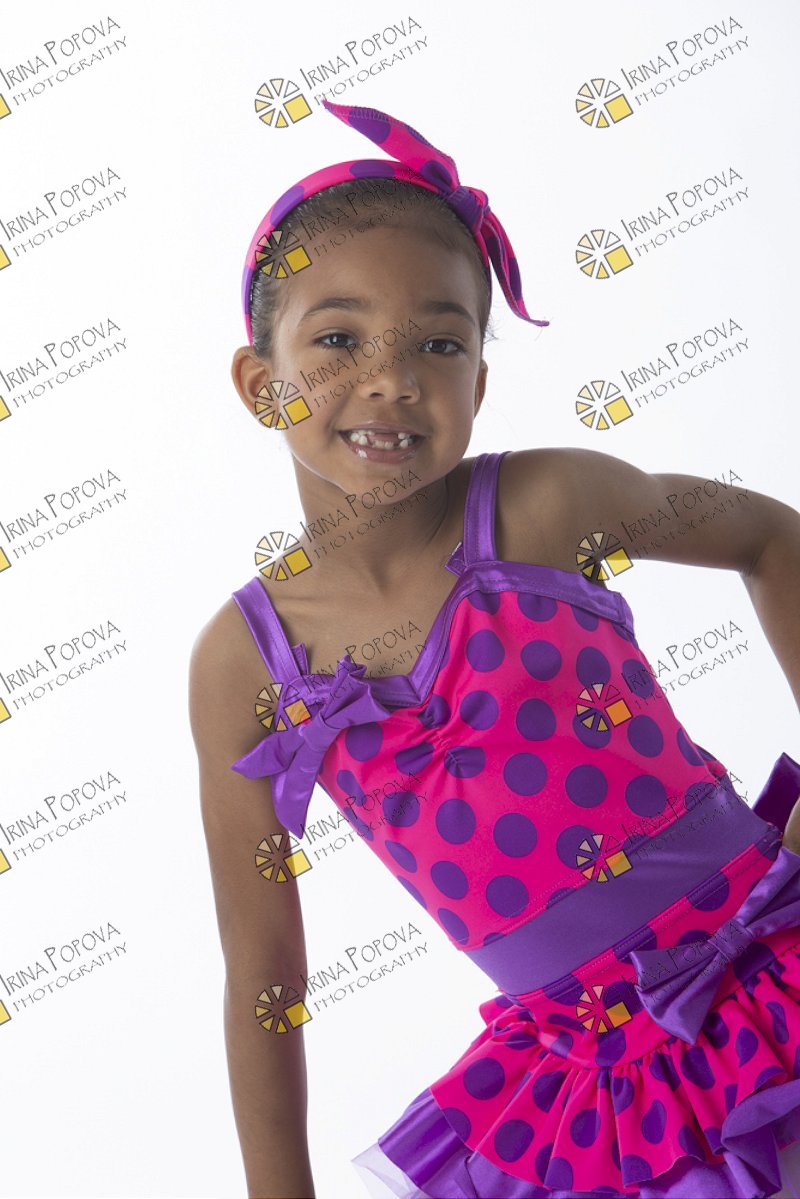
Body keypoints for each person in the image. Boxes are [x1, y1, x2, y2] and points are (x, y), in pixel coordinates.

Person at [188, 98, 800, 1198]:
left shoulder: (546, 507)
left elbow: (771, 538)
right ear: (260, 382)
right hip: (596, 1080)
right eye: (338, 339)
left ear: (479, 378)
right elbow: (264, 975)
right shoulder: (244, 664)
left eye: (438, 341)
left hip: (774, 960)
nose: (390, 377)